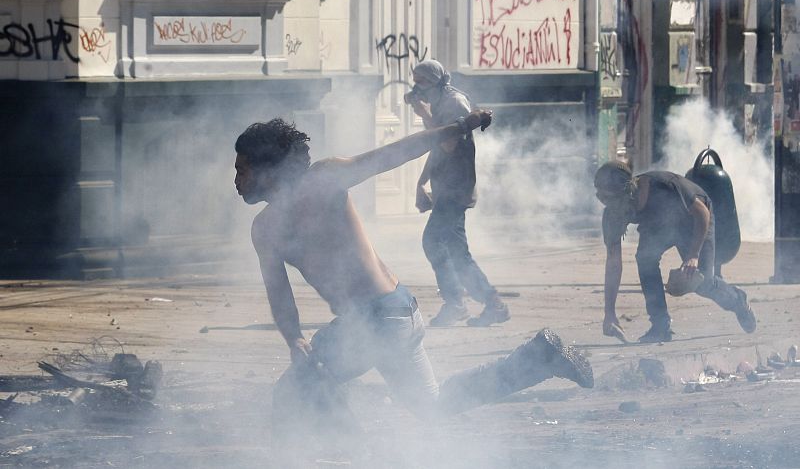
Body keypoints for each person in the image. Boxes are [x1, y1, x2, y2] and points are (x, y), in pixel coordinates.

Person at [234, 112, 593, 457]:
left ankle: (352, 457)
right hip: (396, 315)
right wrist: (294, 337)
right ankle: (539, 358)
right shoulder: (264, 230)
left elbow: (393, 154)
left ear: (266, 169)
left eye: (242, 169)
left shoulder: (322, 180)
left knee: (296, 390)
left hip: (377, 318)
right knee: (432, 405)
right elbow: (279, 296)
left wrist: (458, 126)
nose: (236, 180)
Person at [594, 161, 757, 343]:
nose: (609, 206)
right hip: (657, 225)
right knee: (645, 259)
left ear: (628, 191)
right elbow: (614, 263)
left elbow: (702, 213)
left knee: (701, 281)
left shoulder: (664, 186)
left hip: (693, 220)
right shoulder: (613, 214)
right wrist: (609, 313)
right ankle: (660, 325)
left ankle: (737, 301)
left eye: (611, 199)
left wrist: (693, 255)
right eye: (603, 199)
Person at [407, 59, 509, 327]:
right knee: (452, 248)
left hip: (456, 189)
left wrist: (426, 116)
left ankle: (463, 303)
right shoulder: (439, 101)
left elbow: (449, 144)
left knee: (436, 243)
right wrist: (422, 182)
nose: (417, 87)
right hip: (446, 188)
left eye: (421, 82)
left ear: (435, 80)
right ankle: (482, 303)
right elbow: (436, 148)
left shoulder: (453, 103)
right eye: (414, 81)